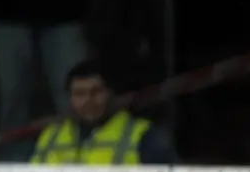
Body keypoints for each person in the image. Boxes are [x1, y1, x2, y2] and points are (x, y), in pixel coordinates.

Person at [30, 60, 175, 166]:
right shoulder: (51, 135)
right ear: (70, 98)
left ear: (111, 93)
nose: (88, 100)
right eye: (80, 94)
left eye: (96, 92)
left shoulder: (142, 135)